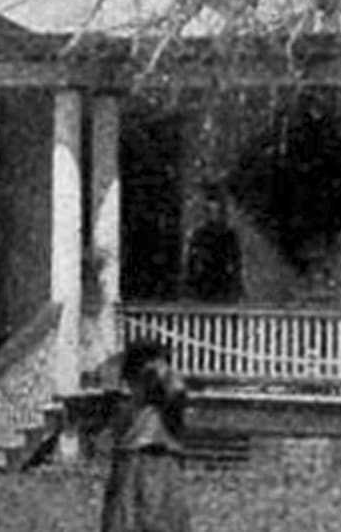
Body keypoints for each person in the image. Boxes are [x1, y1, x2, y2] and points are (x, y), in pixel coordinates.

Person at [100, 338, 191, 532]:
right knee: (131, 516)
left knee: (158, 514)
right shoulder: (130, 397)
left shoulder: (162, 393)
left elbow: (177, 391)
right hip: (137, 457)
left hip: (157, 456)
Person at [182, 189, 243, 304]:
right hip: (203, 288)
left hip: (224, 288)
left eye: (216, 211)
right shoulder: (198, 235)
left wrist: (235, 285)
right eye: (209, 211)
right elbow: (192, 261)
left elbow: (236, 263)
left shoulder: (229, 236)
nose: (213, 215)